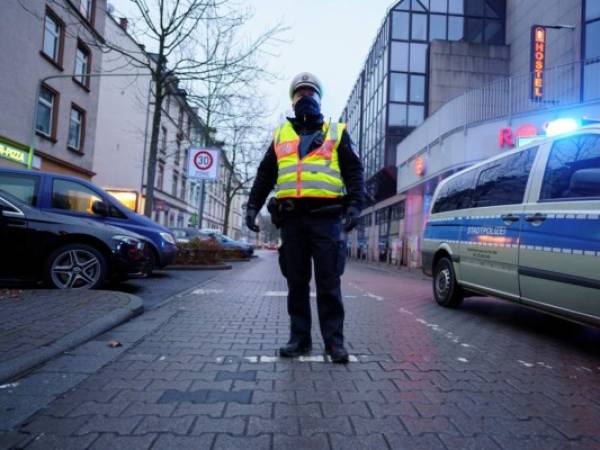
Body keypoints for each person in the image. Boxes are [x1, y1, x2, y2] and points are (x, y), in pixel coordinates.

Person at [245, 72, 365, 363]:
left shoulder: (336, 132)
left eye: (310, 93)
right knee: (296, 284)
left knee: (329, 283)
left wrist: (354, 205)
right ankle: (299, 339)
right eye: (300, 94)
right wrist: (252, 206)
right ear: (293, 100)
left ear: (319, 98)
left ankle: (334, 343)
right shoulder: (281, 136)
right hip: (293, 222)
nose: (305, 97)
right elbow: (264, 175)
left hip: (327, 220)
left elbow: (353, 172)